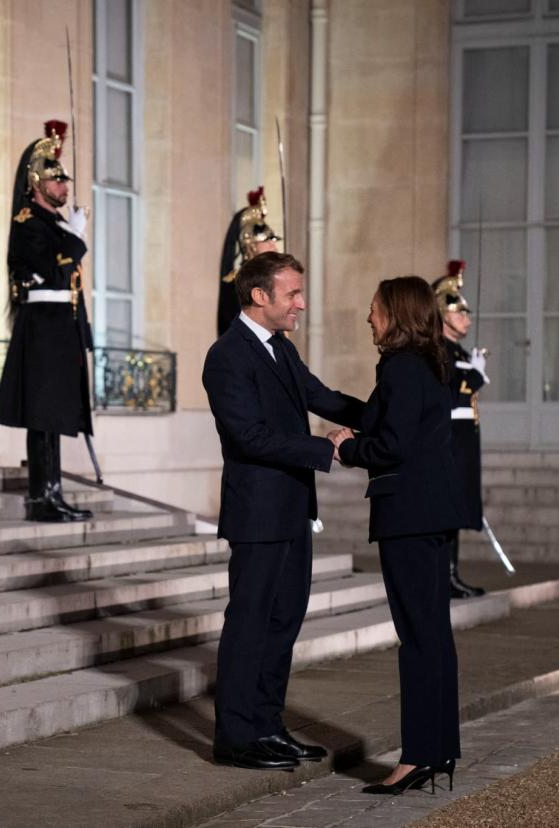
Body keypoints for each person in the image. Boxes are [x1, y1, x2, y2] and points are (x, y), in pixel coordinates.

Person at [202, 252, 364, 771]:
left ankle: (268, 727)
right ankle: (234, 737)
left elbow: (322, 397)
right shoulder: (227, 356)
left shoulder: (281, 348)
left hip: (293, 509)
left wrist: (389, 414)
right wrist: (326, 449)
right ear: (260, 296)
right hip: (258, 514)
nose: (301, 302)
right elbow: (249, 438)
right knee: (250, 623)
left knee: (284, 622)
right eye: (292, 293)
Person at [328, 276, 463, 795]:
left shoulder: (401, 367)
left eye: (375, 308)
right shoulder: (426, 363)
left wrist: (347, 450)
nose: (368, 317)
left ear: (397, 313)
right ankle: (438, 749)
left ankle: (418, 757)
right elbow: (385, 421)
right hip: (429, 511)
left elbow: (393, 445)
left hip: (408, 513)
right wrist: (346, 420)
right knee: (433, 636)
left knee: (417, 638)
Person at [0, 121, 94, 522]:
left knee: (54, 416)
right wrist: (76, 238)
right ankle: (41, 497)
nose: (64, 187)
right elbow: (51, 271)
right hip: (42, 327)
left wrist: (81, 332)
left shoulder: (52, 223)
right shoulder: (28, 221)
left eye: (64, 180)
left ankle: (53, 492)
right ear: (36, 181)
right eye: (56, 180)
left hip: (60, 327)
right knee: (43, 416)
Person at [432, 261, 488, 598]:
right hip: (450, 438)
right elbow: (455, 389)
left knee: (457, 510)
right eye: (459, 310)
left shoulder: (457, 350)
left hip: (464, 440)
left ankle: (452, 573)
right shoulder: (439, 350)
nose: (466, 317)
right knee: (448, 509)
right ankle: (444, 576)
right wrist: (476, 376)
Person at [216, 187, 281, 336]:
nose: (274, 247)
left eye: (273, 241)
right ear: (251, 245)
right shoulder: (235, 283)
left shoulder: (272, 280)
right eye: (267, 241)